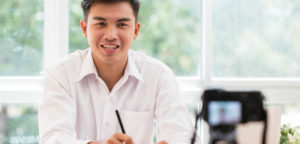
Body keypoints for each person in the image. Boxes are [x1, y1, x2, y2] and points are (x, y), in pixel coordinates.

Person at [38, 0, 199, 143]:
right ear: (85, 28)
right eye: (101, 24)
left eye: (122, 24)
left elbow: (182, 133)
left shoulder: (159, 75)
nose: (111, 35)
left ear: (135, 30)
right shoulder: (60, 74)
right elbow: (53, 137)